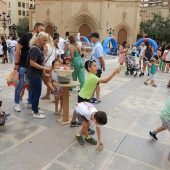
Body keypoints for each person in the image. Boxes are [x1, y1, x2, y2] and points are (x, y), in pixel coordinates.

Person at [13, 23, 44, 112]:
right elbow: (18, 49)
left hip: (33, 68)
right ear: (35, 28)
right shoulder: (26, 36)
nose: (43, 31)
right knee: (20, 84)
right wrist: (16, 63)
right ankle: (16, 102)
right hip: (23, 65)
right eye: (41, 29)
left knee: (31, 86)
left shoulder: (39, 39)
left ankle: (30, 103)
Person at [27, 32, 51, 119]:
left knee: (34, 93)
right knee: (37, 93)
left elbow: (39, 61)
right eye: (44, 40)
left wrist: (43, 71)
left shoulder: (39, 48)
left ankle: (34, 109)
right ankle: (36, 113)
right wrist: (44, 68)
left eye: (46, 40)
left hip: (36, 74)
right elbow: (32, 63)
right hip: (34, 74)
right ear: (39, 39)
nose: (45, 42)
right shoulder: (35, 49)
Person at [41, 35, 61, 100]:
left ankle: (56, 95)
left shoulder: (47, 46)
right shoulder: (54, 47)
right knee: (50, 81)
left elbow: (43, 56)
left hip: (47, 65)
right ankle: (48, 95)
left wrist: (43, 65)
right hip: (52, 65)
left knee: (47, 82)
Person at [89, 32, 105, 103]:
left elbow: (101, 58)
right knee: (96, 83)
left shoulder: (97, 46)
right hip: (95, 68)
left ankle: (94, 97)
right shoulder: (96, 45)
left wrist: (103, 66)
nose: (90, 38)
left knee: (94, 83)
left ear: (95, 38)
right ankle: (96, 98)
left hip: (96, 68)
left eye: (91, 37)